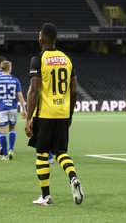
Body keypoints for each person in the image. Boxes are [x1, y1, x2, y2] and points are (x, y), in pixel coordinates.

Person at [25, 23, 83, 206]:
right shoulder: (67, 59)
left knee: (42, 154)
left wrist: (28, 117)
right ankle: (73, 178)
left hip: (45, 114)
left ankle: (46, 196)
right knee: (60, 152)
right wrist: (70, 114)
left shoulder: (38, 59)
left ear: (42, 39)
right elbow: (74, 91)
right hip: (62, 113)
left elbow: (34, 90)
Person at [0, 60, 27, 161]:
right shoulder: (15, 80)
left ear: (1, 68)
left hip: (2, 108)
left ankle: (5, 155)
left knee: (2, 131)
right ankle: (11, 150)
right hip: (13, 108)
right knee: (12, 129)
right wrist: (24, 110)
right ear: (10, 68)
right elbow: (20, 96)